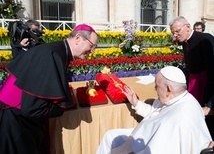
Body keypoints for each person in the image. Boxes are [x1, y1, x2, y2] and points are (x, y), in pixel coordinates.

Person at [0, 24, 98, 154]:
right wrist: (61, 108)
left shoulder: (58, 50)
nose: (92, 51)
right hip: (15, 122)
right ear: (78, 38)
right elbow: (32, 109)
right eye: (92, 45)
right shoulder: (53, 54)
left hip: (18, 118)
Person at [96, 66, 212, 154]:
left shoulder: (178, 119)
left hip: (145, 143)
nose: (155, 89)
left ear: (168, 88)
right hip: (144, 134)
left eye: (157, 86)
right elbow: (155, 113)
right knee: (109, 136)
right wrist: (136, 103)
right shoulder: (178, 98)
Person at [169, 16, 214, 139]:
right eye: (173, 32)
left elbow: (212, 70)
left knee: (206, 117)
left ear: (188, 27)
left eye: (177, 31)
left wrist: (211, 104)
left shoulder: (205, 39)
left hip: (206, 85)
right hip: (193, 81)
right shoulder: (185, 40)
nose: (175, 35)